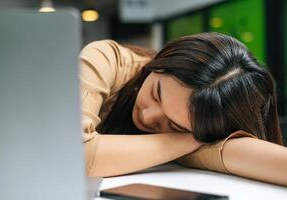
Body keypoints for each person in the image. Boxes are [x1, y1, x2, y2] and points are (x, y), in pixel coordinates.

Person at [80, 32, 287, 186]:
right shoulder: (106, 59)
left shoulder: (201, 128)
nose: (147, 115)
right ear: (162, 61)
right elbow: (75, 153)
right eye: (156, 94)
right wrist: (187, 139)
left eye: (173, 125)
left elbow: (250, 156)